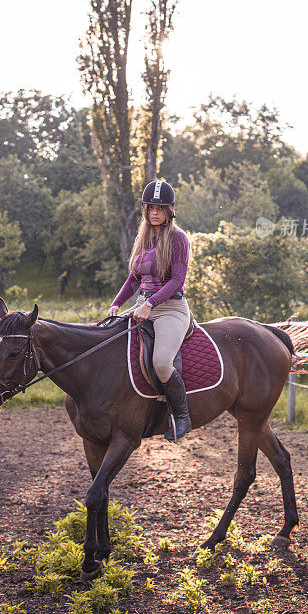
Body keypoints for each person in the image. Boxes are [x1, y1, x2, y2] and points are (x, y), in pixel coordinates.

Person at [107, 180, 192, 442]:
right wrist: (116, 303)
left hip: (170, 309)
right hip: (141, 305)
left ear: (170, 211)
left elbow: (177, 280)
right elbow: (134, 279)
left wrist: (150, 304)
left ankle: (182, 417)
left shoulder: (178, 238)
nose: (154, 212)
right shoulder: (143, 237)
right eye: (150, 207)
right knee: (107, 343)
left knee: (161, 363)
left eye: (160, 208)